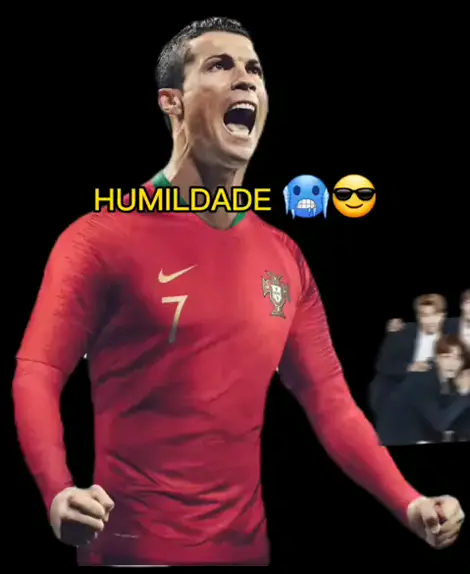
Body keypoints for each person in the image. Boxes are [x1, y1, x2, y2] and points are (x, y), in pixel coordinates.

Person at [12, 18, 464, 567]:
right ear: (172, 102)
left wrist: (410, 502)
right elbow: (37, 371)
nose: (246, 79)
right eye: (220, 65)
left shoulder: (285, 257)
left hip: (247, 552)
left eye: (255, 69)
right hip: (133, 555)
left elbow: (331, 402)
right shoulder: (100, 237)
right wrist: (57, 490)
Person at [376, 335, 470, 445]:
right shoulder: (422, 380)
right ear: (437, 358)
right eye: (446, 357)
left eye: (458, 358)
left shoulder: (445, 379)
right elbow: (440, 422)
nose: (452, 363)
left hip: (421, 433)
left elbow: (452, 412)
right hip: (398, 439)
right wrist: (463, 392)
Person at [369, 294, 447, 417]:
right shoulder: (401, 333)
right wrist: (410, 367)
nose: (430, 321)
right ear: (418, 317)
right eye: (425, 315)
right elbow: (382, 365)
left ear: (443, 316)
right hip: (403, 387)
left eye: (435, 315)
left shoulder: (452, 335)